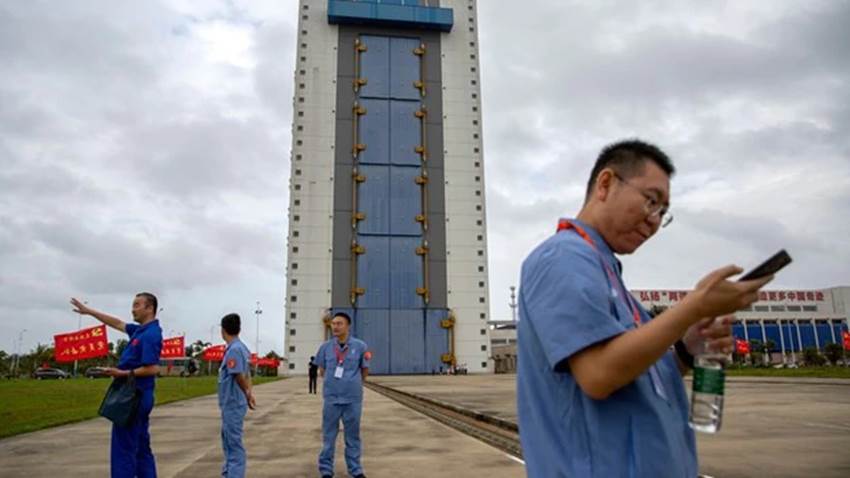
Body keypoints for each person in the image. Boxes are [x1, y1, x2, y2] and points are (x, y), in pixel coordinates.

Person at [516, 139, 773, 477]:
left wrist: (684, 350)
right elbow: (598, 374)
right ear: (605, 184)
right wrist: (693, 307)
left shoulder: (607, 276)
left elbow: (635, 373)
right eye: (651, 202)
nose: (654, 221)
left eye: (663, 213)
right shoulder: (563, 258)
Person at [71, 293, 163, 478]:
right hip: (137, 395)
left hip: (134, 396)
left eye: (137, 305)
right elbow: (117, 323)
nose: (133, 309)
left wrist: (122, 373)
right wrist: (89, 311)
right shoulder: (140, 331)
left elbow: (152, 368)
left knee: (123, 449)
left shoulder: (151, 335)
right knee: (141, 447)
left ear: (150, 308)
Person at [314, 312, 371, 478]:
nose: (335, 327)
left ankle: (355, 470)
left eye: (339, 323)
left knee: (352, 436)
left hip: (352, 399)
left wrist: (352, 383)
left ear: (348, 326)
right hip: (331, 399)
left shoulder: (360, 346)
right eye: (333, 324)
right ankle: (326, 470)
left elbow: (365, 370)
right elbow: (322, 370)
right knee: (328, 436)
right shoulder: (325, 347)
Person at [218, 313, 256, 478]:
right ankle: (229, 472)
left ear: (223, 330)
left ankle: (234, 474)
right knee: (227, 440)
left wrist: (247, 393)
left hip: (233, 402)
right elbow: (247, 375)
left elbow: (238, 375)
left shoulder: (234, 350)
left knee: (233, 443)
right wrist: (249, 392)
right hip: (233, 402)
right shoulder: (242, 348)